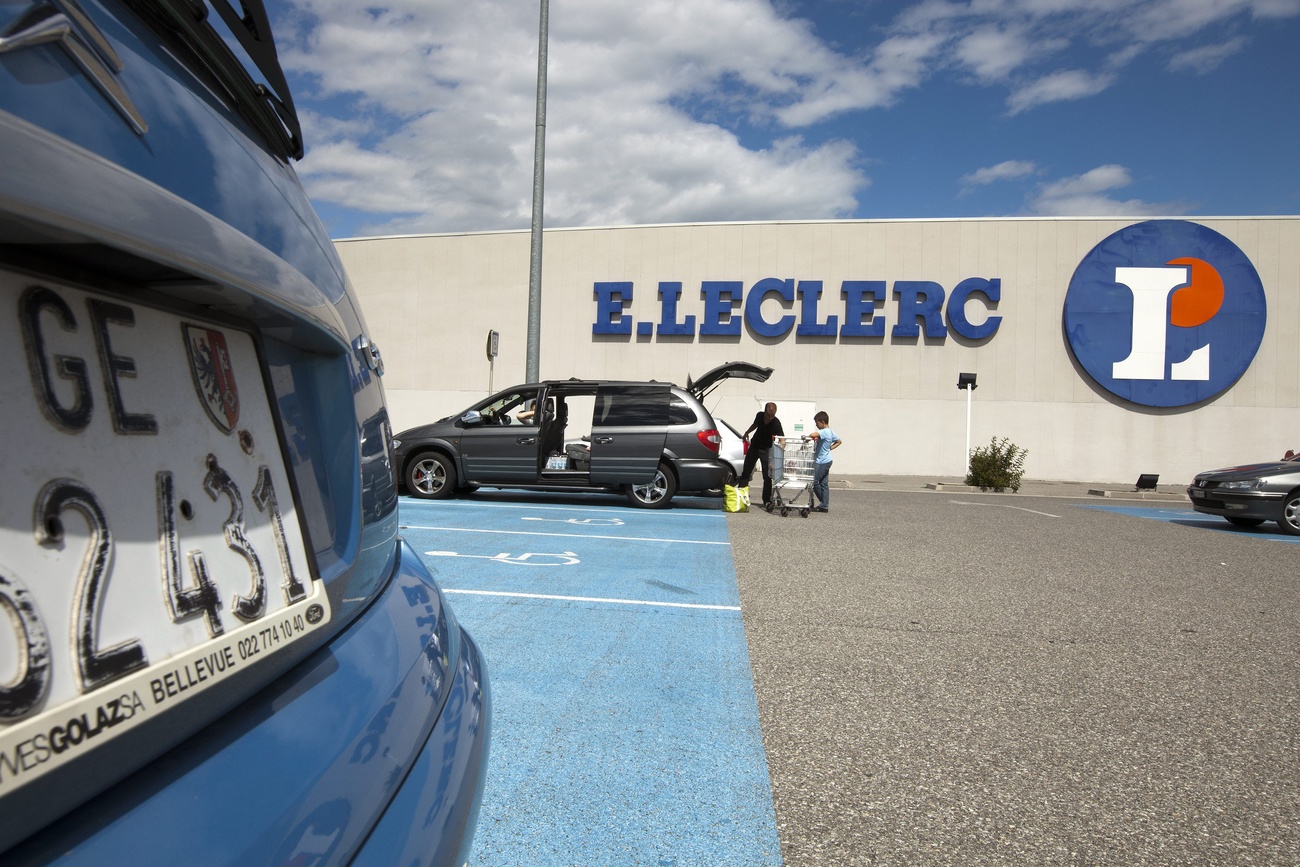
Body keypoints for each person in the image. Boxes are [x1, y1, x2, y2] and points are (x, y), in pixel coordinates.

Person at [740, 402, 784, 508]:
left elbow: (782, 438)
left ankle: (766, 500)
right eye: (768, 415)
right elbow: (754, 425)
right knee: (746, 471)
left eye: (772, 415)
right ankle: (741, 496)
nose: (770, 417)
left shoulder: (776, 422)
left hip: (766, 450)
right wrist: (747, 432)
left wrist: (781, 448)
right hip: (754, 447)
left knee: (767, 476)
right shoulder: (759, 416)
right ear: (765, 412)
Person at [808, 410, 842, 512]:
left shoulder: (825, 431)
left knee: (814, 482)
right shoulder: (831, 432)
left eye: (817, 423)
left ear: (822, 422)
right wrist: (830, 448)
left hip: (822, 461)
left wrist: (808, 438)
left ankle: (824, 502)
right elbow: (839, 441)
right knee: (823, 484)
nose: (816, 425)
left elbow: (813, 434)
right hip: (828, 460)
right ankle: (824, 506)